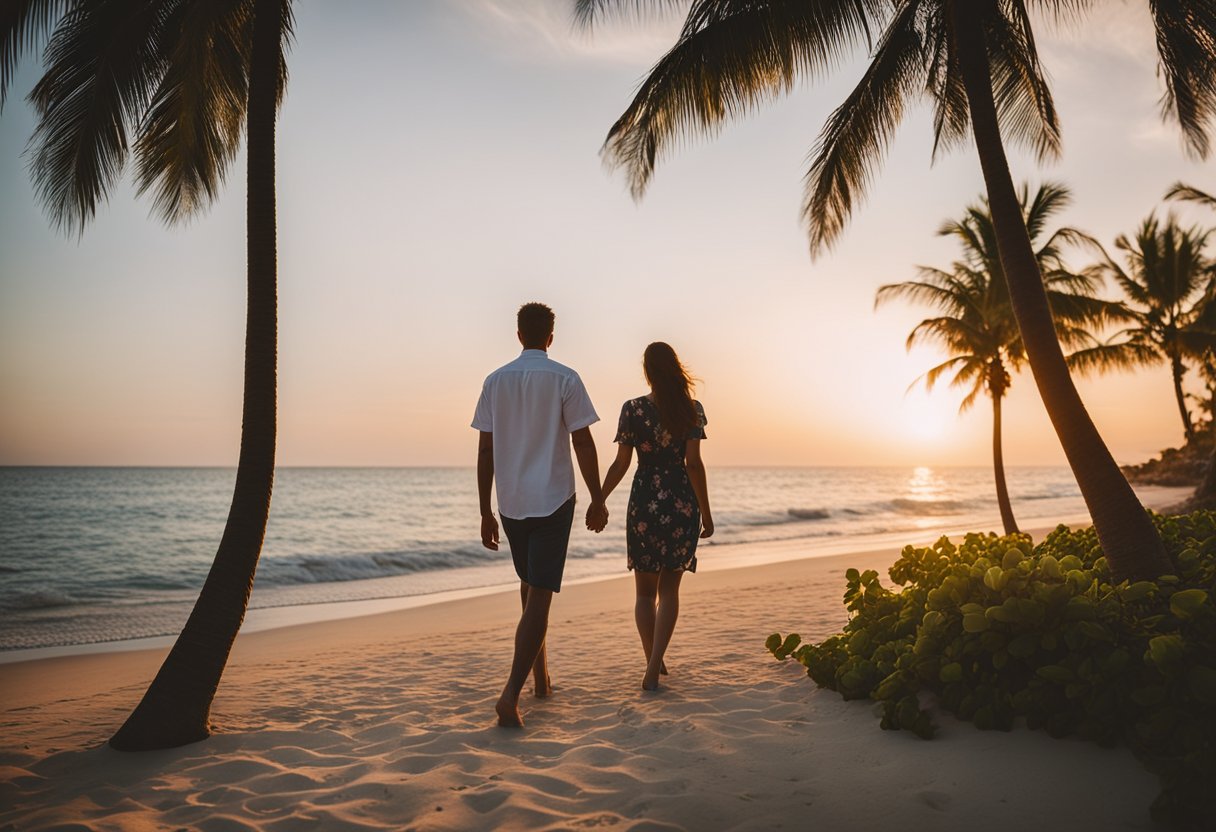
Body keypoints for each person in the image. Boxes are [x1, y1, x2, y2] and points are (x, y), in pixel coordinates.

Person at [473, 302, 609, 727]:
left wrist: (484, 511)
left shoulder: (495, 381)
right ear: (551, 337)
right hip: (552, 499)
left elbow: (486, 451)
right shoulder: (565, 377)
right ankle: (510, 695)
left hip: (511, 502)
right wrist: (598, 496)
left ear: (518, 335)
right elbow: (583, 443)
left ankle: (541, 681)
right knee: (541, 597)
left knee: (530, 586)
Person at [600, 342, 713, 691]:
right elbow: (693, 464)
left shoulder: (632, 409)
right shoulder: (691, 409)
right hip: (680, 500)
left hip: (645, 500)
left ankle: (652, 661)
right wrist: (706, 514)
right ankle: (654, 665)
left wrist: (599, 498)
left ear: (648, 371)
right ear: (676, 368)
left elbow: (621, 463)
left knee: (644, 593)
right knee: (670, 589)